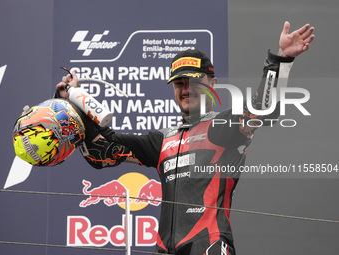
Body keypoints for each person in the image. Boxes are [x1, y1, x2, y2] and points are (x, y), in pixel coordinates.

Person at [21, 21, 313, 254]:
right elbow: (103, 152)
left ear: (212, 84)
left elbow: (265, 108)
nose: (186, 89)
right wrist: (73, 106)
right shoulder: (162, 141)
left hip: (208, 246)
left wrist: (281, 59)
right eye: (179, 83)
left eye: (194, 81)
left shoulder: (224, 128)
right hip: (164, 248)